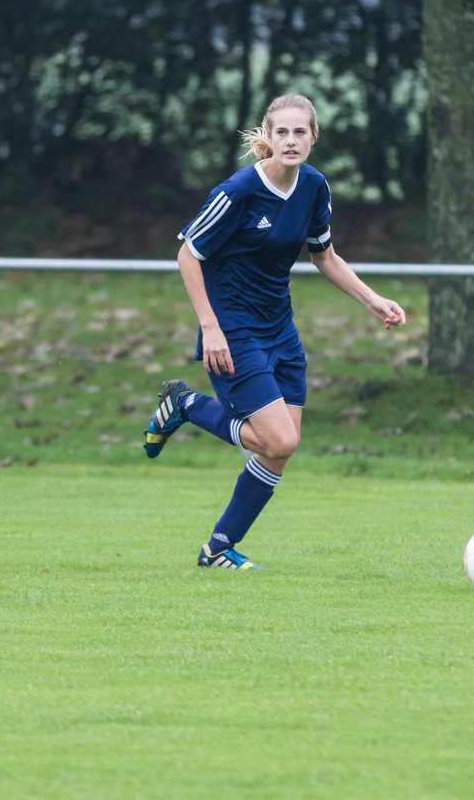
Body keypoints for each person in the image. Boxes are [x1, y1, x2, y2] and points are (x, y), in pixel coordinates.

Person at [143, 94, 406, 569]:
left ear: (313, 137)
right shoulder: (239, 191)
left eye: (299, 132)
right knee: (278, 440)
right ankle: (184, 404)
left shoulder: (314, 187)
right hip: (233, 331)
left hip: (280, 330)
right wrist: (210, 327)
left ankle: (217, 549)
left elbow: (323, 255)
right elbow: (187, 254)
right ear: (268, 135)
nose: (290, 140)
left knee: (281, 450)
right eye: (281, 132)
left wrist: (373, 299)